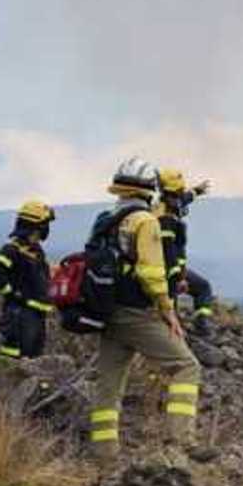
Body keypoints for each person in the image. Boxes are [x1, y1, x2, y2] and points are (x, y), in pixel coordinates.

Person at [88, 157, 202, 464]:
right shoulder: (145, 221)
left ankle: (104, 454)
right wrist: (168, 311)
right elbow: (152, 274)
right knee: (186, 366)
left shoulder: (106, 218)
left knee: (108, 385)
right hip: (136, 312)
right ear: (149, 188)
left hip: (108, 313)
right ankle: (181, 441)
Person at [0, 200, 55, 358]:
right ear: (36, 226)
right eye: (45, 224)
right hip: (20, 315)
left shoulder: (35, 251)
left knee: (34, 359)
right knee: (16, 357)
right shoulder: (13, 251)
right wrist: (13, 294)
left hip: (36, 315)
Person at [155, 168, 216, 336]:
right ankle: (171, 340)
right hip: (164, 271)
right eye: (178, 192)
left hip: (171, 270)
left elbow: (185, 199)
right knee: (170, 310)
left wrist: (197, 191)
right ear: (169, 193)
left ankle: (201, 324)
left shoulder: (170, 203)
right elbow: (168, 252)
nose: (180, 196)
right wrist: (178, 278)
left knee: (203, 287)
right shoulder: (164, 218)